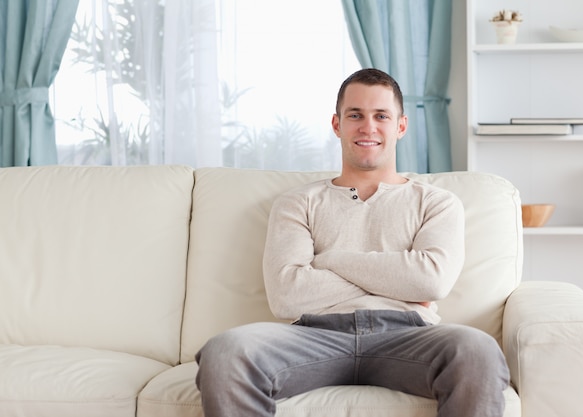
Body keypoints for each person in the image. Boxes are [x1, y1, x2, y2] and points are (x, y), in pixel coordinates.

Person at [195, 68, 510, 417]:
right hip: (314, 336)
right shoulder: (297, 203)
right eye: (355, 115)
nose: (368, 127)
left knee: (478, 349)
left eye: (381, 116)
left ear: (401, 126)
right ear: (336, 124)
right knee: (226, 351)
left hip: (409, 336)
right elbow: (286, 296)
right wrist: (398, 278)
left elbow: (430, 281)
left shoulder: (436, 203)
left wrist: (328, 259)